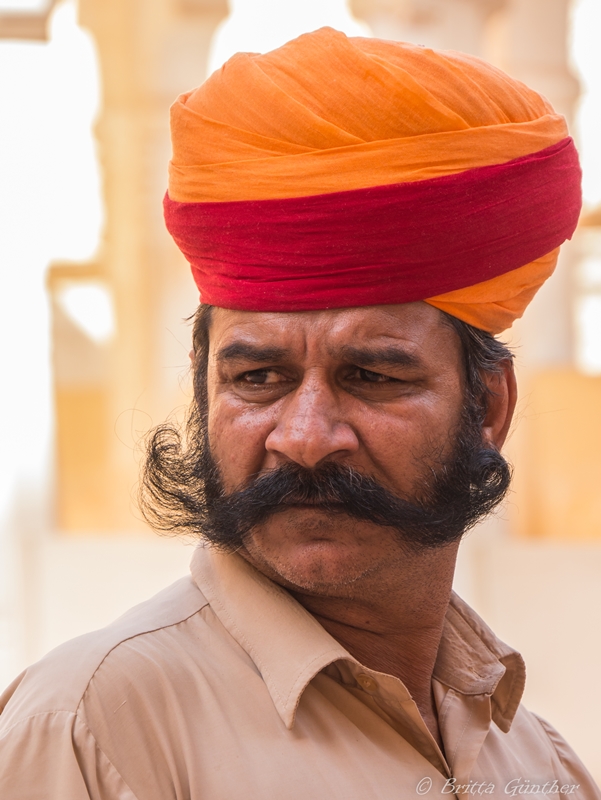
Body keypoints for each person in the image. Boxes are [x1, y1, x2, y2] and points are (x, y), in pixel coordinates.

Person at [1, 27, 599, 800]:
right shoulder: (94, 728)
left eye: (372, 375)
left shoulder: (535, 763)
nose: (306, 437)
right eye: (257, 377)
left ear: (487, 407)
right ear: (202, 389)